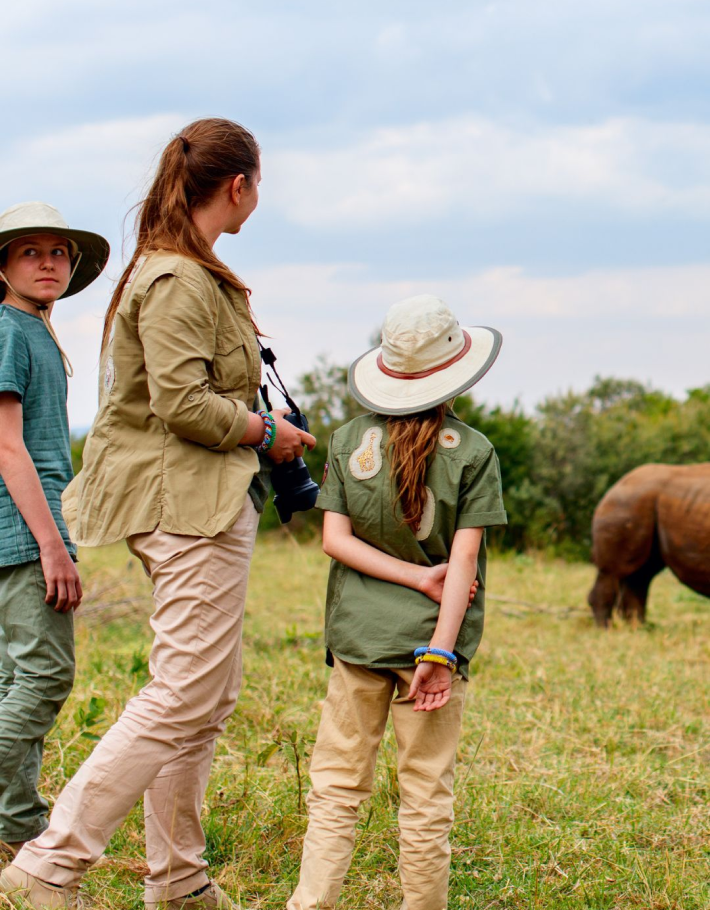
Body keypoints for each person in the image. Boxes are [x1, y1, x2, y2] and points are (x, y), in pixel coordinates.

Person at [1, 118, 315, 910]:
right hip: (188, 505)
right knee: (181, 695)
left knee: (205, 698)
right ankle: (49, 864)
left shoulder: (187, 269)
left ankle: (178, 879)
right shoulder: (177, 277)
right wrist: (272, 433)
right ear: (238, 185)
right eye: (258, 183)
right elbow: (182, 405)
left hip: (199, 502)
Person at [287, 295, 508, 910]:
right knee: (426, 794)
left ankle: (311, 904)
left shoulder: (348, 440)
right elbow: (462, 564)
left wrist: (410, 579)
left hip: (358, 641)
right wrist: (440, 650)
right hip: (429, 654)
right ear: (456, 370)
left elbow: (335, 541)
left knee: (335, 788)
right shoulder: (475, 450)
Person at [0, 202, 109, 859]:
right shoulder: (10, 328)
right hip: (21, 532)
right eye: (31, 251)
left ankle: (16, 831)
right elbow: (9, 449)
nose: (49, 262)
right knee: (44, 679)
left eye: (59, 252)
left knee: (12, 685)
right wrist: (52, 546)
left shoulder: (35, 329)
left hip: (17, 531)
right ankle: (21, 829)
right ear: (5, 266)